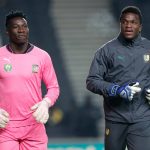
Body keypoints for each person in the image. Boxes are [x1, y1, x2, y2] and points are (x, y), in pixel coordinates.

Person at [86, 6, 150, 150]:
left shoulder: (148, 48)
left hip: (143, 119)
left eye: (133, 22)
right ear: (120, 24)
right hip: (115, 119)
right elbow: (91, 81)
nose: (129, 25)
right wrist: (117, 90)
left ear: (140, 27)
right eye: (125, 22)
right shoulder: (106, 51)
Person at [0, 10, 60, 150]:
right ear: (7, 31)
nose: (21, 30)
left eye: (24, 26)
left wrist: (45, 103)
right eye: (16, 27)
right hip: (5, 127)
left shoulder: (42, 56)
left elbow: (54, 87)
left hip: (34, 127)